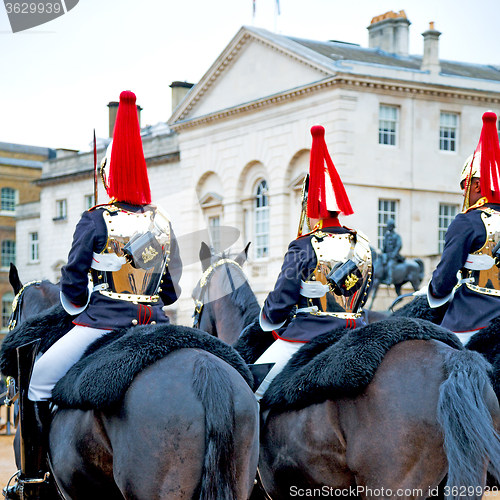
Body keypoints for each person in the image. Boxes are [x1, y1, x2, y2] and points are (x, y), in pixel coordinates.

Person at [24, 90, 182, 488]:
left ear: (108, 175)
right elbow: (172, 291)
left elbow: (73, 282)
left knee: (39, 380)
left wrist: (85, 301)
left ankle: (36, 473)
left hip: (102, 323)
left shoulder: (95, 220)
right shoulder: (161, 223)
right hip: (155, 325)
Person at [254, 125, 372, 401]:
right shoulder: (362, 244)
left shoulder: (305, 244)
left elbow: (282, 298)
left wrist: (271, 316)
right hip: (358, 332)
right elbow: (364, 291)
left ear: (310, 204)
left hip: (311, 333)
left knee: (253, 390)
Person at [427, 111, 500, 345]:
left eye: (465, 187)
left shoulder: (468, 220)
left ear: (477, 184)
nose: (464, 194)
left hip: (473, 319)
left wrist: (436, 291)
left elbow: (443, 281)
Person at [381, 218, 403, 285]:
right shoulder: (386, 236)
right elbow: (384, 246)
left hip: (394, 256)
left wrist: (394, 254)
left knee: (390, 265)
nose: (388, 227)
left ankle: (390, 279)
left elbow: (398, 246)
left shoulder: (397, 236)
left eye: (390, 226)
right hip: (386, 255)